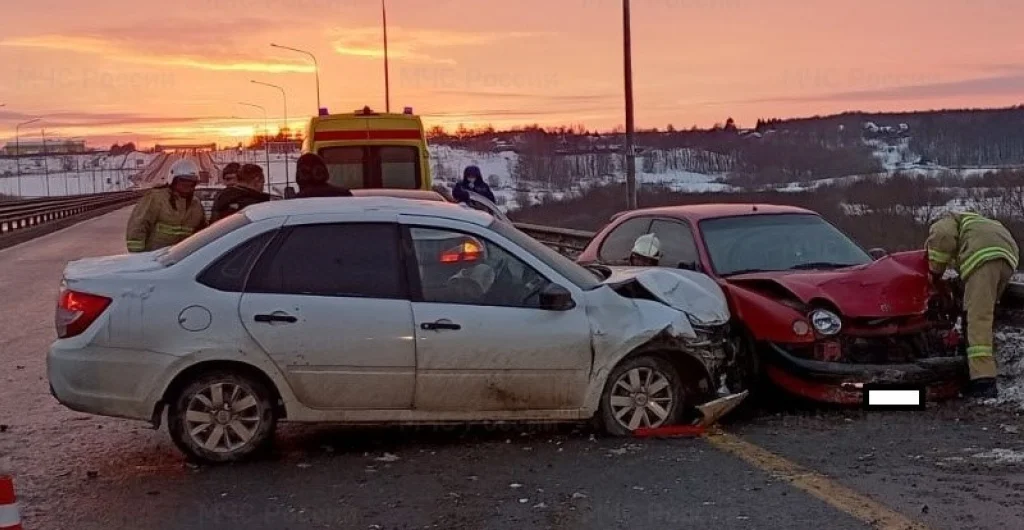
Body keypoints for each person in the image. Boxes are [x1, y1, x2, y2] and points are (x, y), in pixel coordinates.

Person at [926, 211, 1020, 399]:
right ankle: (977, 365)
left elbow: (943, 237)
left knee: (978, 319)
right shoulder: (977, 222)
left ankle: (983, 382)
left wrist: (934, 271)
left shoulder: (947, 220)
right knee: (985, 313)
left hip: (983, 259)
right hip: (1008, 259)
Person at [126, 159, 206, 253]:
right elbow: (138, 225)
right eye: (183, 181)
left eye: (191, 182)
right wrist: (138, 255)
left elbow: (204, 233)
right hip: (154, 257)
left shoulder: (196, 205)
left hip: (182, 258)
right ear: (173, 180)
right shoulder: (156, 198)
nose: (187, 185)